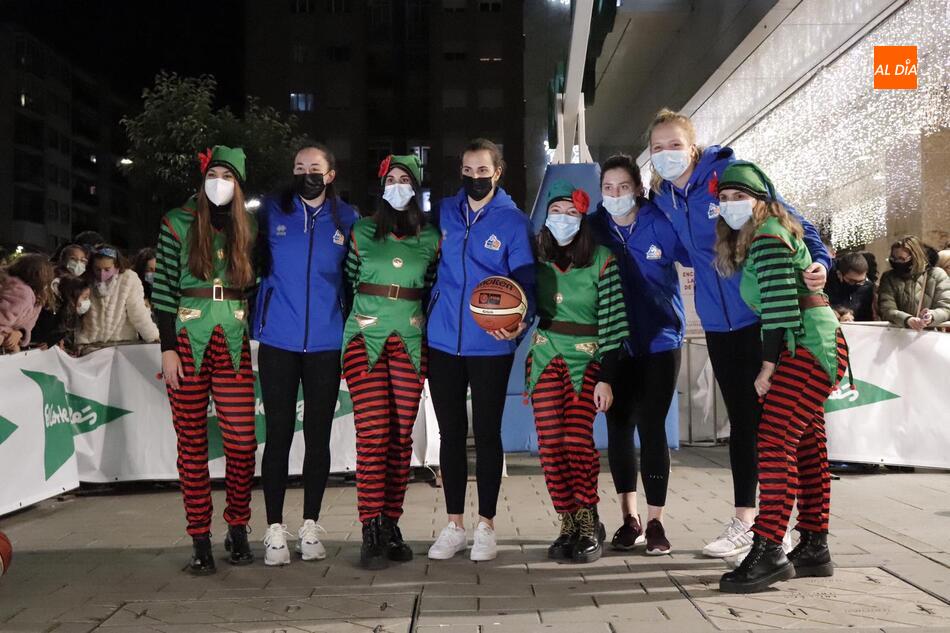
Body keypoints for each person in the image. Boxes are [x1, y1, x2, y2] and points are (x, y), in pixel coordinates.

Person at [646, 108, 831, 559]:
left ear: (693, 146)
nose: (667, 154)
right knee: (744, 426)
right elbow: (673, 249)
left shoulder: (732, 178)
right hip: (717, 325)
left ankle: (783, 528)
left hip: (762, 321)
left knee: (779, 430)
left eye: (674, 145)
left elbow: (795, 222)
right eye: (657, 148)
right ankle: (748, 521)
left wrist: (820, 263)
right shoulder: (665, 197)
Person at [711, 161, 849, 594]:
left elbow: (780, 309)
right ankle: (813, 545)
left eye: (741, 197)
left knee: (773, 441)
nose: (731, 205)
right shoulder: (769, 234)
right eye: (725, 199)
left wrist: (767, 367)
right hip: (812, 342)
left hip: (805, 345)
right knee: (807, 445)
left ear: (761, 202)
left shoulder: (768, 237)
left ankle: (769, 547)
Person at [426, 138, 536, 562]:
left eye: (482, 171)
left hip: (490, 342)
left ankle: (486, 526)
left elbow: (527, 279)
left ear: (498, 171)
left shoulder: (512, 221)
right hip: (442, 341)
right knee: (450, 435)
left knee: (487, 434)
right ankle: (454, 525)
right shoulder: (446, 213)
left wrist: (520, 321)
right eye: (468, 171)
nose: (475, 177)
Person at [152, 146, 258, 574]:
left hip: (232, 339)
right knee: (191, 444)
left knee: (242, 442)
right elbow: (162, 290)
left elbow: (256, 283)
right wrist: (167, 347)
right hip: (187, 339)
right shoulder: (175, 222)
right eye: (214, 172)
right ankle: (199, 539)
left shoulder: (248, 225)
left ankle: (237, 526)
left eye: (228, 175)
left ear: (238, 185)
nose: (220, 180)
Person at [253, 144, 359, 566]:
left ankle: (311, 525)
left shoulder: (348, 219)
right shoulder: (271, 214)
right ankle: (274, 528)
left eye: (315, 168)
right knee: (277, 433)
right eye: (299, 167)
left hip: (327, 343)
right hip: (278, 340)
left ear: (330, 174)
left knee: (318, 435)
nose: (307, 173)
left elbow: (357, 277)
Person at [342, 154, 441, 569]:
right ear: (381, 185)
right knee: (373, 435)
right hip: (364, 340)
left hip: (411, 342)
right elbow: (349, 282)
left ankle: (391, 525)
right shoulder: (361, 231)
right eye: (392, 179)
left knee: (401, 437)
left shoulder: (432, 237)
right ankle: (369, 526)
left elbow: (434, 288)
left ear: (415, 188)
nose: (398, 185)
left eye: (406, 179)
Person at [588, 154, 688, 555]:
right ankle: (628, 519)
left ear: (638, 190)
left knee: (651, 426)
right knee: (618, 429)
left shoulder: (659, 222)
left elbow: (698, 251)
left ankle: (655, 521)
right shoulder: (593, 228)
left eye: (623, 187)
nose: (615, 195)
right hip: (615, 343)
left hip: (661, 340)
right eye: (608, 188)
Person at [528, 180, 628, 564]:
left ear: (583, 219)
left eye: (572, 212)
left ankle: (589, 523)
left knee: (576, 443)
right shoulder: (536, 260)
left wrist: (606, 376)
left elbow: (615, 325)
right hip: (545, 358)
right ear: (546, 217)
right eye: (556, 211)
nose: (563, 218)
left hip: (588, 361)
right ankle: (567, 522)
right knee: (551, 446)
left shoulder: (603, 259)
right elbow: (520, 306)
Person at [76, 245, 159, 348]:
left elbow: (137, 312)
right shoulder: (86, 279)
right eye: (97, 269)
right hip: (90, 344)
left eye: (107, 269)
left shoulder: (128, 279)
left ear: (116, 266)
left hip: (122, 344)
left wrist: (152, 336)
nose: (102, 274)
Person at [877, 235, 950, 330]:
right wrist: (907, 319)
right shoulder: (889, 277)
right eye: (893, 259)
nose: (897, 262)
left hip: (929, 335)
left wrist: (931, 316)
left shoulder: (937, 275)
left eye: (902, 258)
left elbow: (946, 307)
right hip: (897, 334)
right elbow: (886, 308)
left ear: (915, 257)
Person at [0, 254, 55, 354]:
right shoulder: (20, 291)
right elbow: (3, 318)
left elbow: (28, 323)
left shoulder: (38, 296)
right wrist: (6, 333)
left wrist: (19, 333)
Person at [30, 275, 93, 354]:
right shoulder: (48, 311)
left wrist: (52, 341)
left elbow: (62, 332)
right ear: (72, 296)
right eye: (85, 297)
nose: (87, 301)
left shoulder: (70, 313)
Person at [824, 253, 874, 321]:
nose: (857, 284)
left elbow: (866, 315)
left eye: (861, 281)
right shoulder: (826, 281)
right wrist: (834, 313)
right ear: (839, 274)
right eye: (852, 281)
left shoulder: (867, 287)